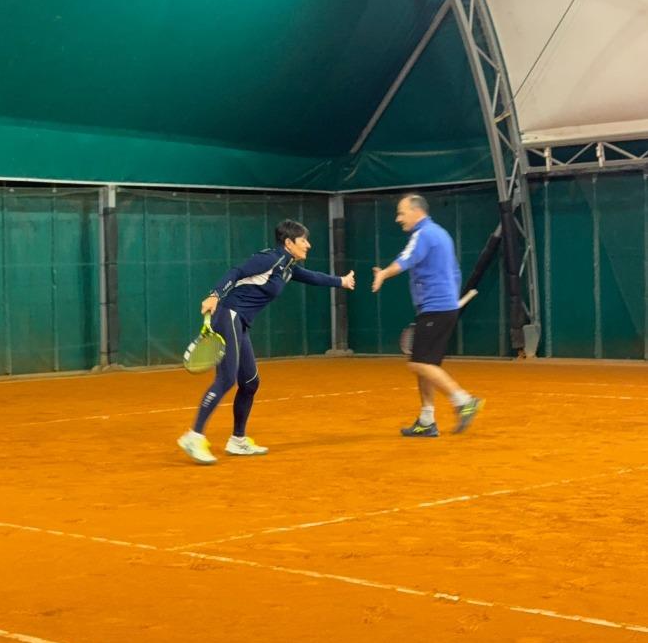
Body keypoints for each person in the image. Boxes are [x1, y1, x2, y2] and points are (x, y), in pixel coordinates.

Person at [177, 219, 355, 464]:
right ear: (289, 242)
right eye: (304, 240)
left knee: (250, 383)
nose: (308, 245)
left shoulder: (288, 267)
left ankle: (238, 440)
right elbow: (236, 272)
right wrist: (215, 295)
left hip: (241, 323)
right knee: (226, 379)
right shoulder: (270, 258)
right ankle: (194, 436)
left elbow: (312, 277)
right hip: (229, 315)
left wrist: (341, 281)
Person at [371, 193, 483, 437]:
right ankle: (427, 420)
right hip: (443, 306)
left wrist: (383, 274)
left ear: (416, 211)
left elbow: (404, 260)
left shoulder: (423, 234)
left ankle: (464, 401)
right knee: (426, 365)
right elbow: (454, 271)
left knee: (418, 363)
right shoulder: (441, 234)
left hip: (436, 307)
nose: (398, 219)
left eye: (401, 213)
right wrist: (449, 300)